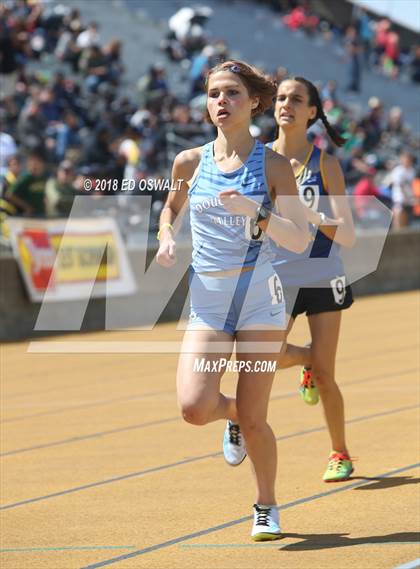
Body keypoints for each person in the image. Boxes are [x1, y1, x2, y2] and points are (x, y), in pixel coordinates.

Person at [156, 60, 308, 541]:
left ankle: (266, 505)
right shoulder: (189, 162)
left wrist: (257, 212)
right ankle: (233, 419)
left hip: (260, 302)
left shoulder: (275, 166)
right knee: (194, 407)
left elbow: (300, 238)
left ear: (255, 102)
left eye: (232, 94)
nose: (221, 102)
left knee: (256, 413)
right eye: (214, 94)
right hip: (209, 301)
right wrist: (165, 237)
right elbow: (171, 208)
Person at [267, 76, 356, 483]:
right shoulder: (260, 159)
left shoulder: (326, 164)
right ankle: (304, 358)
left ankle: (340, 453)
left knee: (327, 374)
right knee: (265, 356)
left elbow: (350, 234)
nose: (285, 104)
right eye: (281, 98)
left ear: (311, 112)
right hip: (278, 278)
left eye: (295, 99)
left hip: (322, 275)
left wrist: (315, 219)